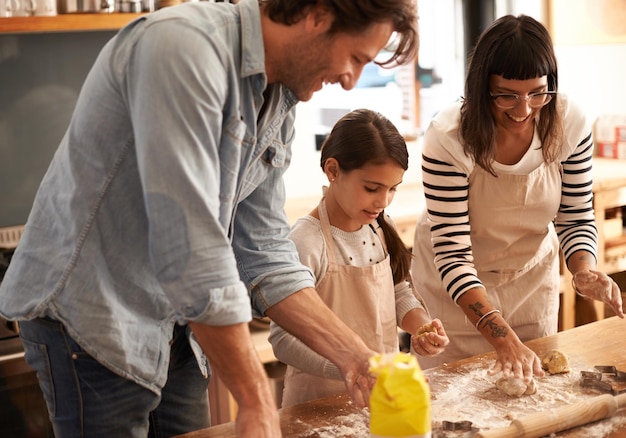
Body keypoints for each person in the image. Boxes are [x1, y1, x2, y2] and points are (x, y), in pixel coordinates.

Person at [0, 1, 418, 437]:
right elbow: (190, 246)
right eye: (355, 58)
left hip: (178, 322)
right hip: (94, 317)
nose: (351, 81)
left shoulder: (280, 97)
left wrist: (356, 358)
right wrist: (255, 397)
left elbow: (264, 250)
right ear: (317, 16)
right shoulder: (183, 48)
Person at [411, 14, 624, 384]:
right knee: (459, 404)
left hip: (530, 285)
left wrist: (584, 269)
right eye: (506, 95)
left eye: (537, 93)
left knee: (534, 394)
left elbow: (575, 216)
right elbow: (453, 253)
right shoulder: (447, 139)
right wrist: (503, 337)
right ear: (482, 88)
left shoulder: (569, 122)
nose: (523, 110)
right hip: (457, 295)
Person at [269, 109, 449, 407]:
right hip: (318, 405)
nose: (383, 201)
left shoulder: (381, 226)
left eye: (392, 189)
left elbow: (397, 291)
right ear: (333, 170)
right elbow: (283, 340)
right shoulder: (307, 241)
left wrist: (421, 327)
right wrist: (346, 365)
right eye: (371, 188)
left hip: (381, 396)